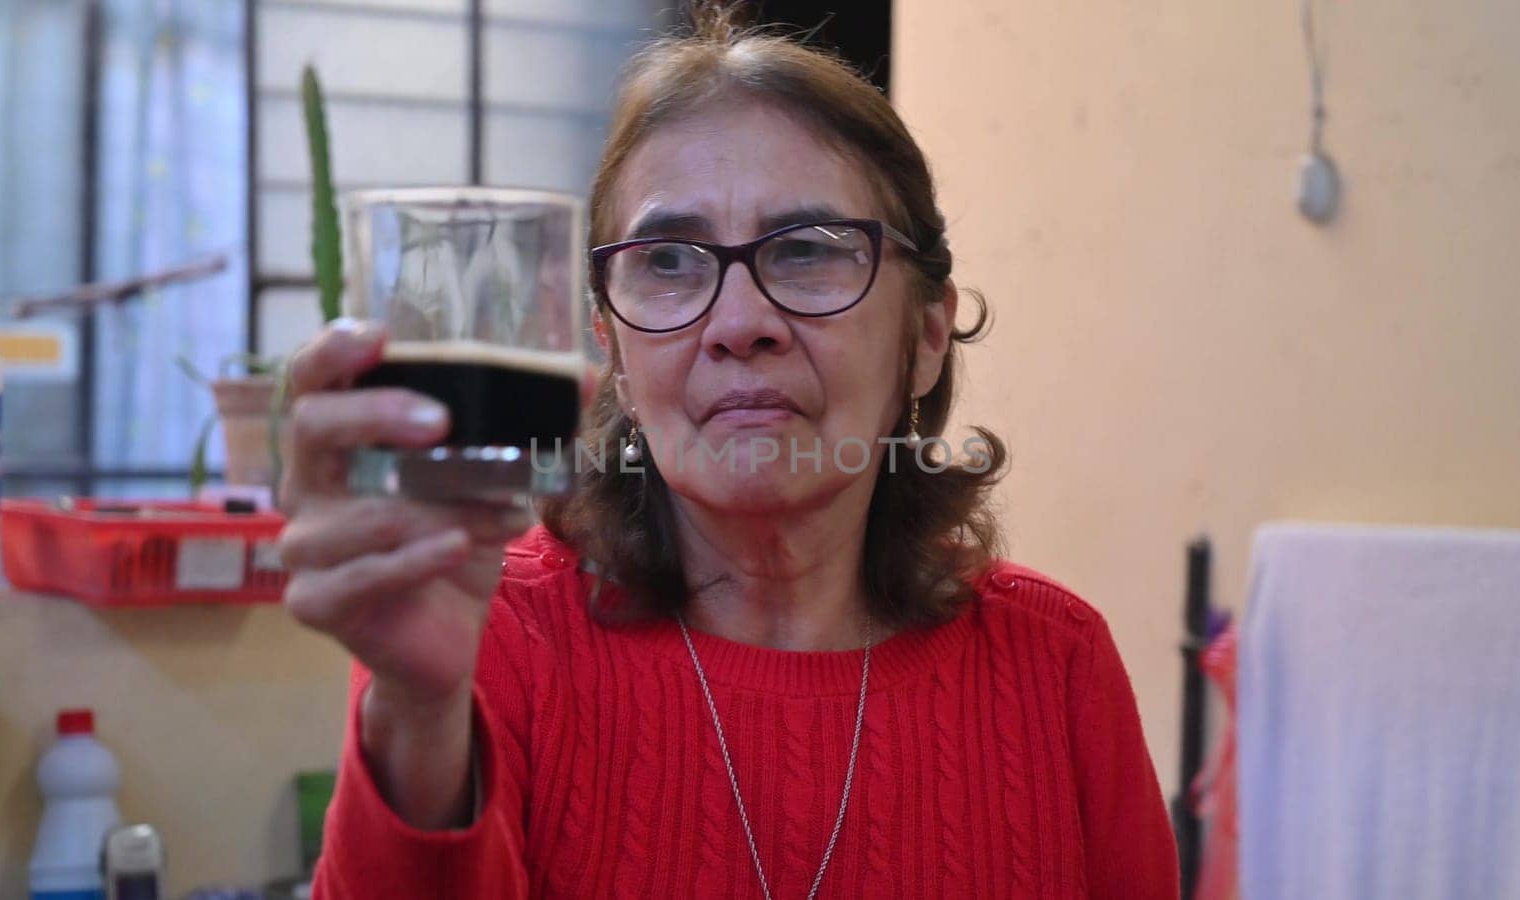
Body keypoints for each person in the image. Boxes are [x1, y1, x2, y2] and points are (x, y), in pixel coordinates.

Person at [280, 8, 1179, 899]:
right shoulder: (491, 638)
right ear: (613, 352)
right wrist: (421, 715)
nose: (740, 324)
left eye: (809, 251)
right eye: (669, 262)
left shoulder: (1055, 668)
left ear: (928, 334)